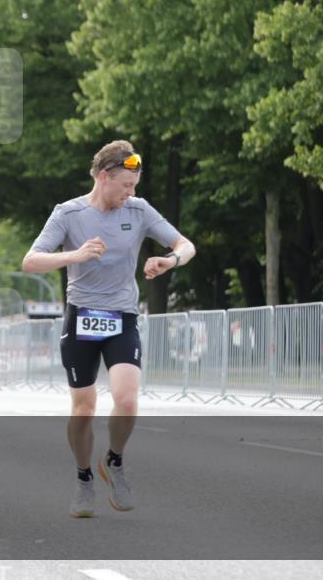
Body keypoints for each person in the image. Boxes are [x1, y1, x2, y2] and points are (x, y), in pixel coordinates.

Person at [22, 139, 195, 517]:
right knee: (83, 409)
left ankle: (114, 461)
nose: (132, 193)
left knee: (127, 399)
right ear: (104, 177)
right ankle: (84, 478)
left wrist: (170, 260)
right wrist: (76, 255)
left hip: (122, 317)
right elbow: (31, 262)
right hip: (81, 317)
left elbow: (186, 244)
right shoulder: (68, 214)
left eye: (135, 186)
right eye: (126, 186)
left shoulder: (139, 210)